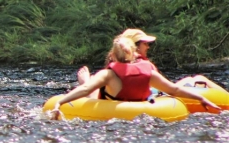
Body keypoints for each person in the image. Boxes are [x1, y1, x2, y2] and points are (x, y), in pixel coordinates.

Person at [49, 36, 221, 118]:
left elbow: (85, 89)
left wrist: (60, 102)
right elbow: (175, 90)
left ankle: (86, 77)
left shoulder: (107, 74)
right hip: (146, 113)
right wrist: (202, 99)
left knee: (92, 87)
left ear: (112, 56)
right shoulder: (149, 72)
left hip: (110, 113)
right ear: (134, 55)